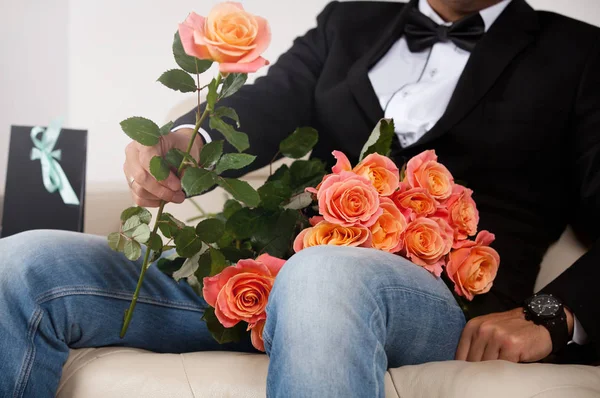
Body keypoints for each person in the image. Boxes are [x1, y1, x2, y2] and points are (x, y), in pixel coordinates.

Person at [1, 0, 598, 396]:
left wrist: (553, 315)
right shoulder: (351, 20)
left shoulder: (579, 54)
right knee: (24, 263)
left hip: (440, 308)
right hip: (270, 281)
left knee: (321, 276)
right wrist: (191, 138)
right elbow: (266, 104)